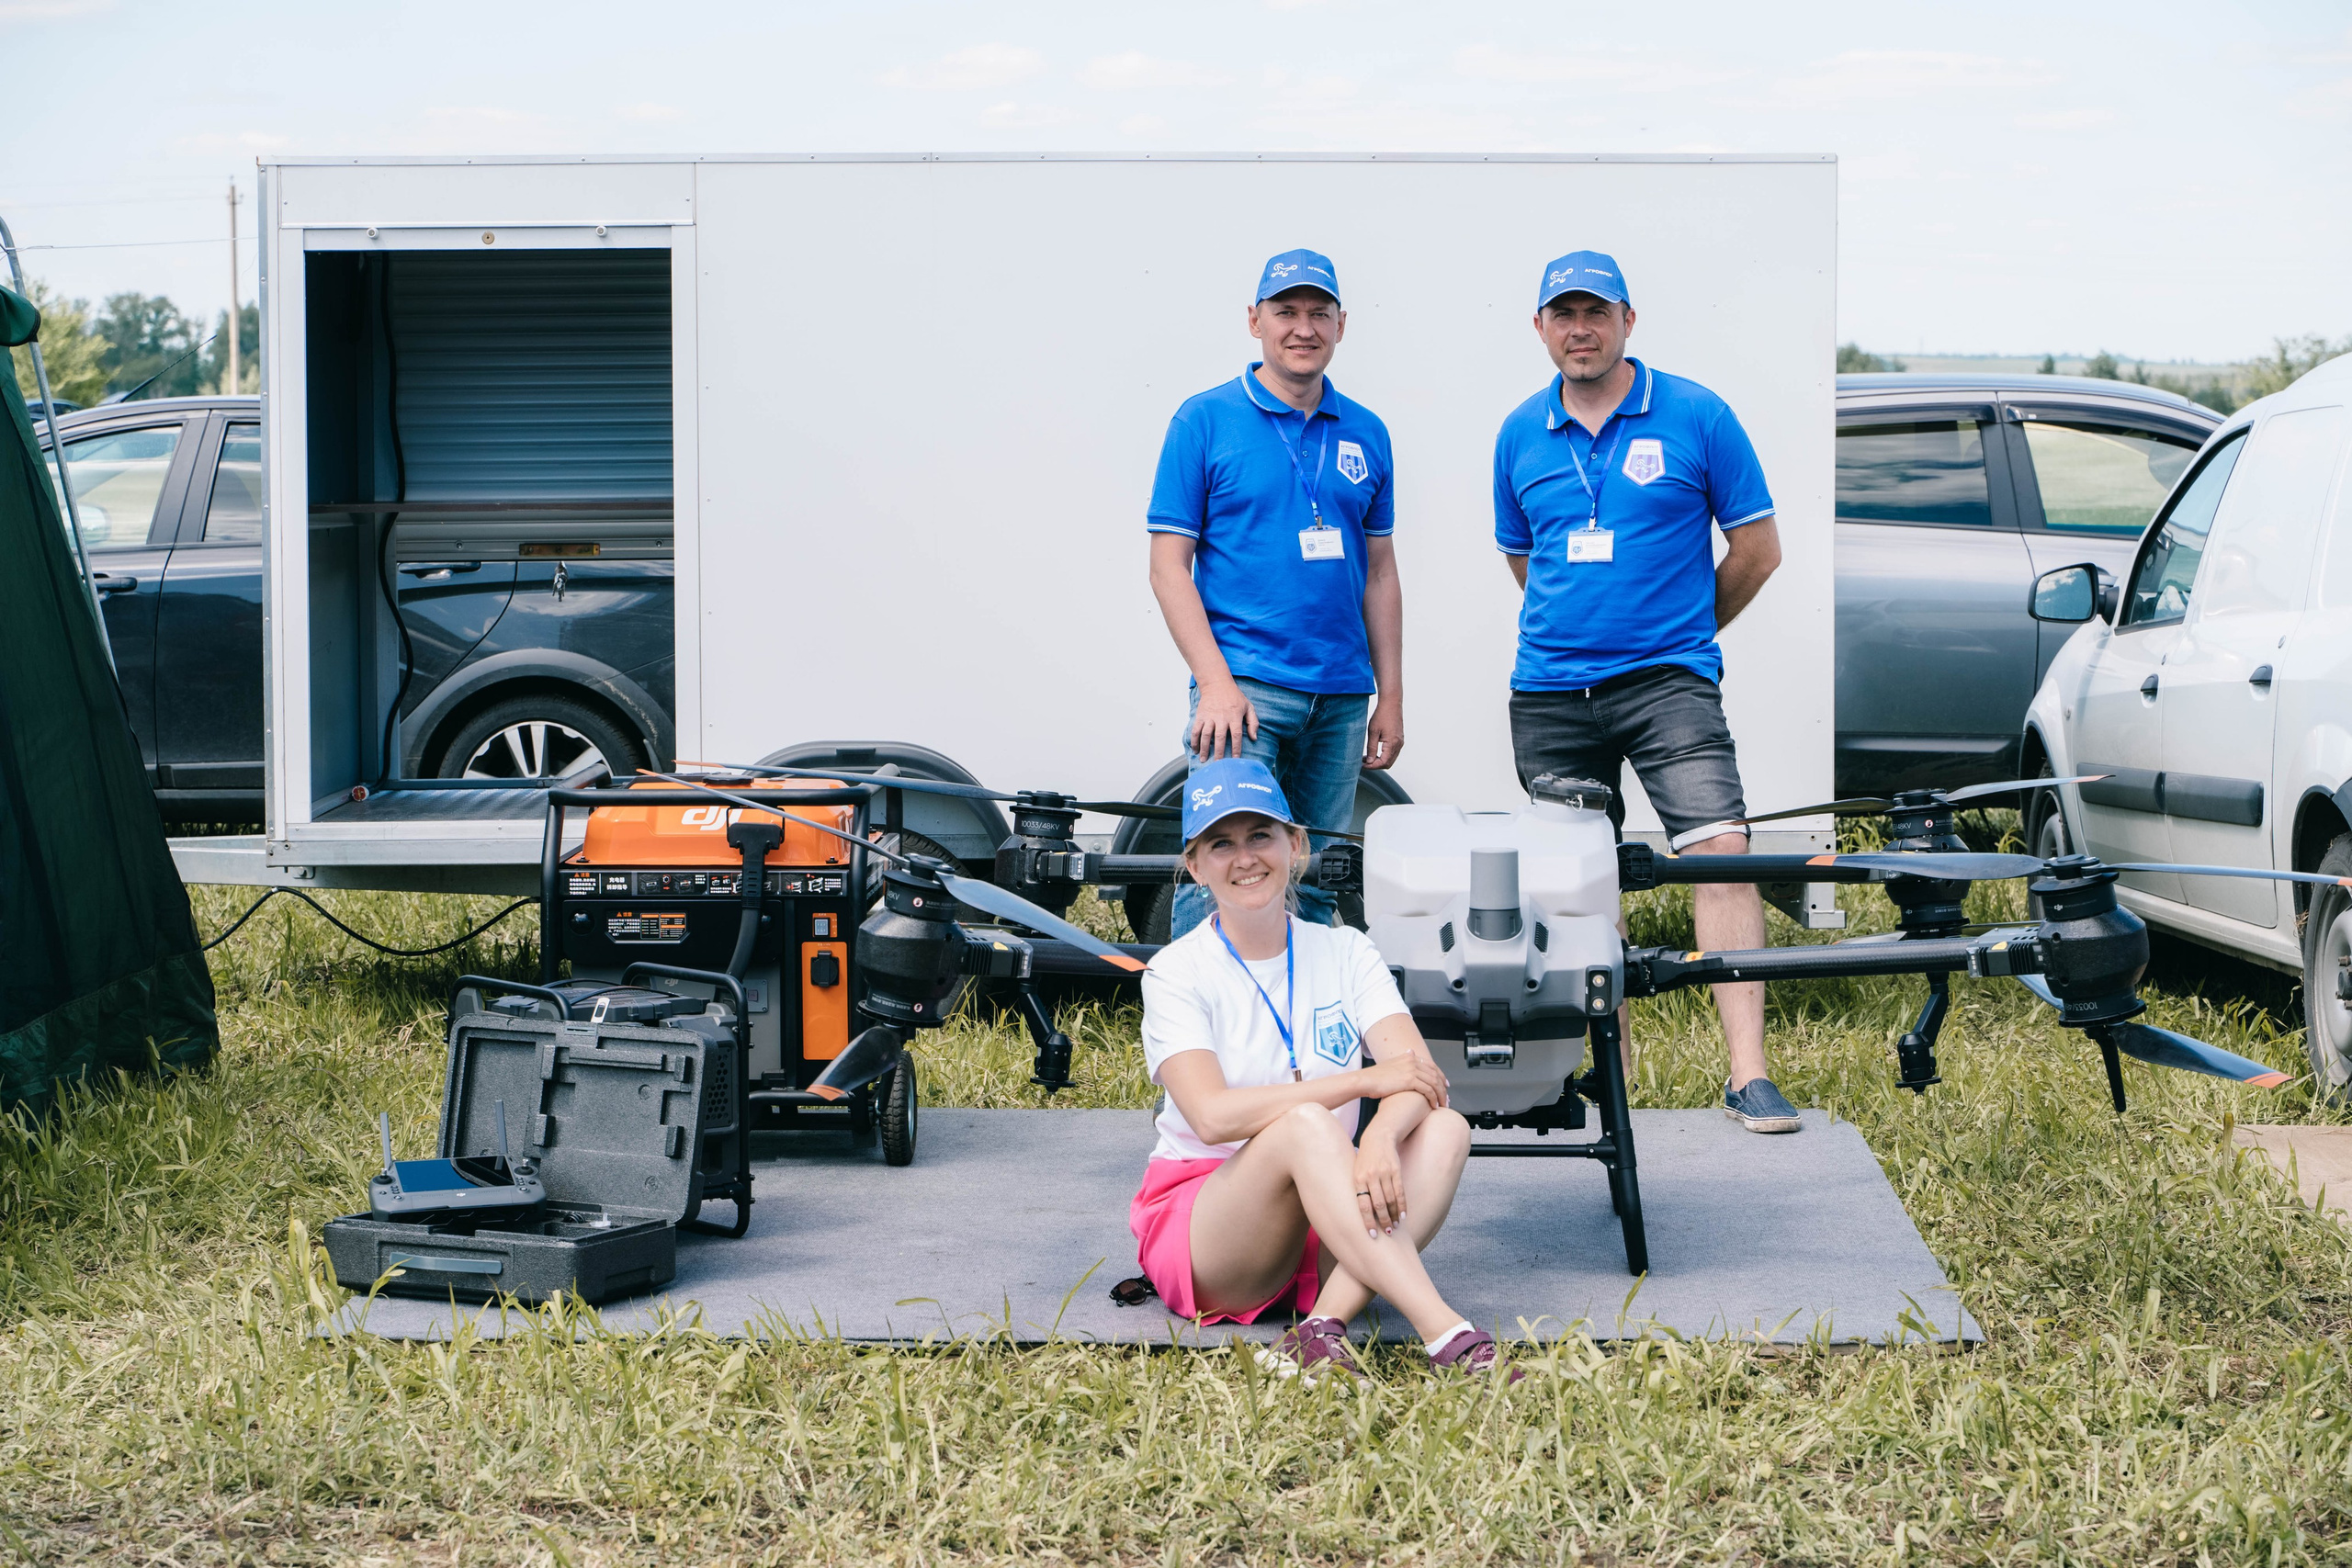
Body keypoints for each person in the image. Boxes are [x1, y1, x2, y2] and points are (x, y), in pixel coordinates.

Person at [1491, 250, 1799, 1134]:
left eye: (1596, 312)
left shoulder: (1698, 414)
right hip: (1552, 692)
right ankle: (1610, 1079)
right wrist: (1584, 623)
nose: (1579, 329)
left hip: (1670, 686)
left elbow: (1758, 549)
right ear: (1541, 328)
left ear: (1629, 319)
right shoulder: (1520, 431)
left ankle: (1747, 1075)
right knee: (1581, 884)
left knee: (1720, 851)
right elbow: (1526, 557)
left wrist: (1683, 629)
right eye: (1563, 314)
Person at [1128, 757, 1517, 1382]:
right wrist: (1363, 1082)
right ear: (1195, 866)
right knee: (1308, 1121)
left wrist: (1381, 1139)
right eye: (1221, 843)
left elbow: (1419, 1075)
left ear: (1296, 844)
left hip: (1326, 1197)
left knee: (1446, 1129)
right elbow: (1212, 1115)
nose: (1245, 857)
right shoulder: (1176, 970)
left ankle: (1317, 1330)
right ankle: (1448, 1333)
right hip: (1212, 1222)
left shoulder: (1345, 949)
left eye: (1261, 835)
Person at [1148, 248, 1403, 939]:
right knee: (1219, 876)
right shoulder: (1203, 421)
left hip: (1342, 700)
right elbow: (1169, 565)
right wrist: (1216, 685)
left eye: (1319, 312)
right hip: (1246, 693)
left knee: (1314, 883)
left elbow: (1380, 571)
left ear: (1342, 325)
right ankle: (1198, 1043)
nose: (1303, 327)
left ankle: (1303, 1043)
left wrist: (1390, 696)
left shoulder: (1367, 432)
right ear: (1254, 320)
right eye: (1285, 311)